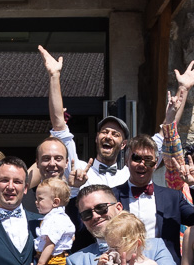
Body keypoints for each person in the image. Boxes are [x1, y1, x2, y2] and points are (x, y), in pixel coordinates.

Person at [43, 45, 130, 187]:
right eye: (104, 132)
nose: (108, 136)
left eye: (115, 134)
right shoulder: (79, 169)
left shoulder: (129, 176)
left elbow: (156, 148)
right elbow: (59, 126)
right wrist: (54, 77)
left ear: (123, 144)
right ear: (96, 138)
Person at [114, 134, 194, 258]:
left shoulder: (173, 197)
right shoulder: (112, 196)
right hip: (124, 263)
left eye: (148, 159)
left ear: (155, 163)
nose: (142, 164)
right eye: (136, 158)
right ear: (127, 160)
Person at [31, 176, 76, 265]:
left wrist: (41, 263)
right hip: (51, 257)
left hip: (53, 261)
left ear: (55, 202)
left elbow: (50, 244)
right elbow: (72, 237)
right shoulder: (60, 217)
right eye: (36, 199)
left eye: (40, 199)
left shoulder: (55, 219)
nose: (36, 202)